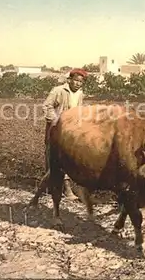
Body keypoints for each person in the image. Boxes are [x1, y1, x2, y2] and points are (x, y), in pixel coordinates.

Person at [42, 68, 88, 200]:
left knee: (67, 158)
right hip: (55, 129)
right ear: (70, 80)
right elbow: (46, 106)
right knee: (53, 157)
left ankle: (64, 188)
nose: (78, 83)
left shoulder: (80, 94)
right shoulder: (59, 90)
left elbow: (78, 111)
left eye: (81, 81)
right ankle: (57, 188)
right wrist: (56, 120)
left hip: (70, 131)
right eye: (76, 80)